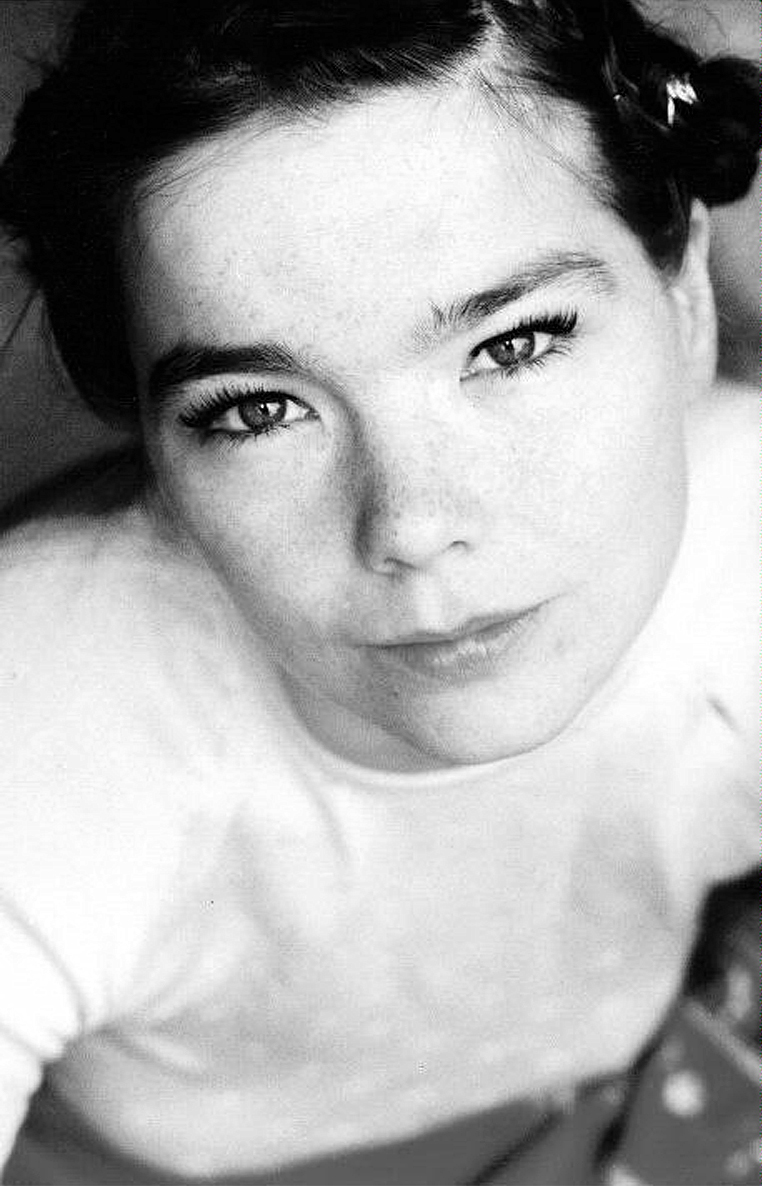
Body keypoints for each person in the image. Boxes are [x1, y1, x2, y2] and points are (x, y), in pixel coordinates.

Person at [0, 1, 758, 1182]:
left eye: (515, 344)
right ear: (151, 440)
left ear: (686, 298)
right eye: (257, 409)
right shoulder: (48, 701)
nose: (412, 525)